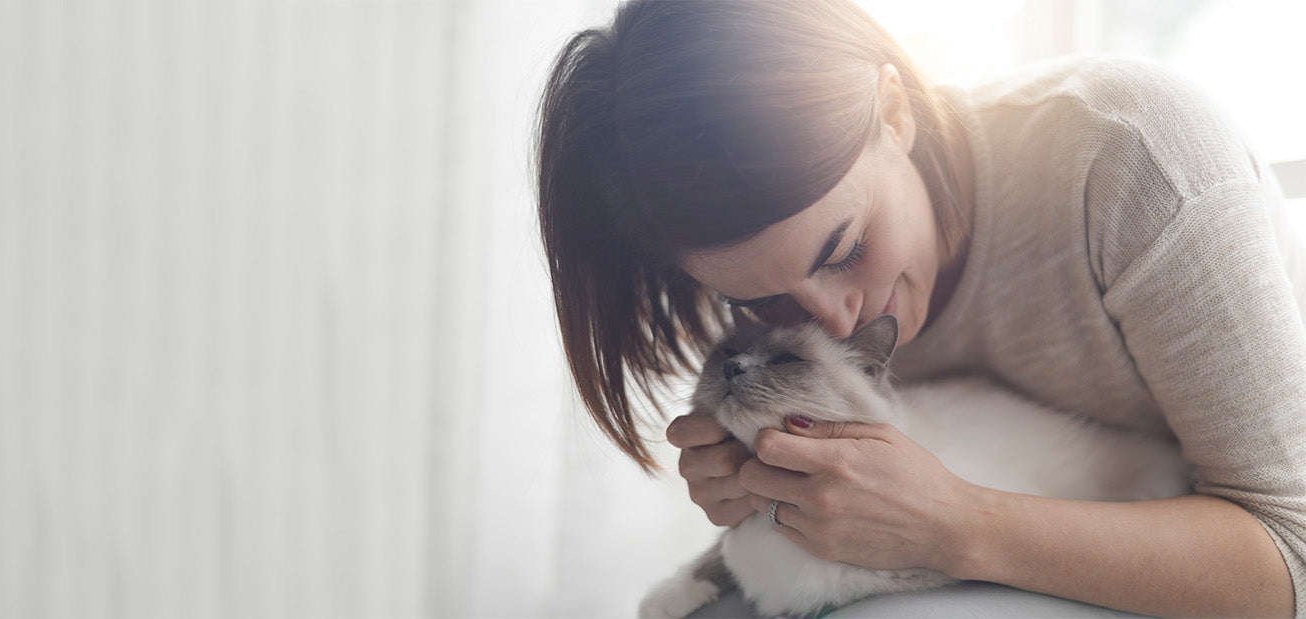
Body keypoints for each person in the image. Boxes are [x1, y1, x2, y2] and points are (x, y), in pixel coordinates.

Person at [534, 0, 1304, 616]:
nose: (835, 322)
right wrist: (763, 495)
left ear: (895, 111)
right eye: (762, 301)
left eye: (844, 249)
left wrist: (955, 524)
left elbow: (1292, 552)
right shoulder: (738, 248)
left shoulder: (1139, 159)